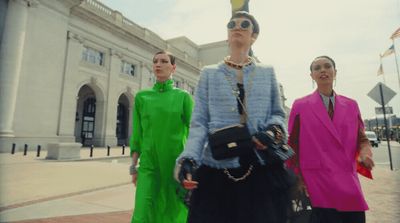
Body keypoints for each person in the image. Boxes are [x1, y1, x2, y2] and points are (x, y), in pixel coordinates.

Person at [175, 11, 292, 223]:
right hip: (217, 166)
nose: (237, 26)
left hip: (260, 167)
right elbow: (199, 122)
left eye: (244, 24)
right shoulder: (209, 73)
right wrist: (189, 159)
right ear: (228, 35)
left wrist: (271, 132)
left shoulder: (267, 72)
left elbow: (277, 114)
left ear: (253, 36)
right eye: (232, 24)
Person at [287, 55, 375, 223]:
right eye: (317, 68)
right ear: (312, 75)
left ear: (335, 72)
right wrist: (298, 179)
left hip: (347, 180)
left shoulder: (351, 105)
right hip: (316, 181)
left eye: (327, 66)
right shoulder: (300, 105)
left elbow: (362, 138)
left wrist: (365, 154)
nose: (323, 70)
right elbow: (293, 145)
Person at [129, 51, 194, 223]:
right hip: (149, 165)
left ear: (173, 67)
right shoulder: (142, 97)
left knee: (174, 213)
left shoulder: (183, 97)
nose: (158, 64)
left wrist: (190, 166)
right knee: (141, 213)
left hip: (175, 166)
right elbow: (137, 134)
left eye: (164, 61)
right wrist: (133, 166)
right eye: (155, 61)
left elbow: (195, 132)